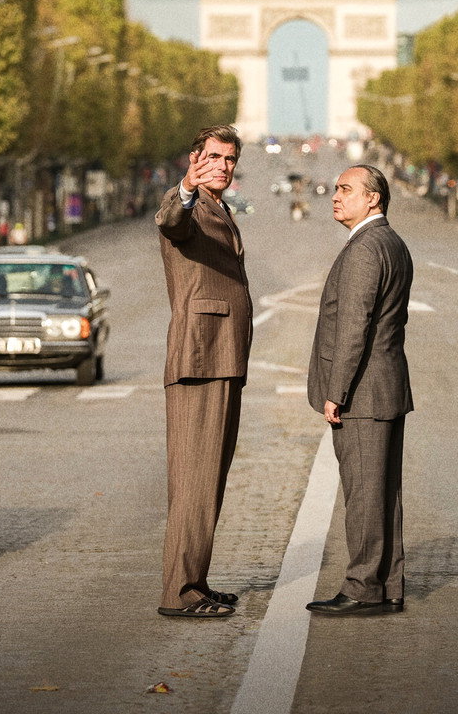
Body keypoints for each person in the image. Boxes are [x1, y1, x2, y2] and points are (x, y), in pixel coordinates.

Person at [306, 164, 413, 616]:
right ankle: (388, 585)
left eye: (346, 189)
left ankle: (362, 588)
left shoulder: (365, 249)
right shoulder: (392, 242)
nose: (336, 196)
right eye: (336, 189)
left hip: (364, 392)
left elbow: (354, 327)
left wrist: (337, 391)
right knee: (383, 493)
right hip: (386, 386)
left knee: (364, 494)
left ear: (373, 198)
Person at [154, 124, 252, 618]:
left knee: (207, 479)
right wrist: (186, 188)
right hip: (201, 356)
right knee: (194, 480)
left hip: (221, 356)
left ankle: (196, 580)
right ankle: (180, 593)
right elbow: (170, 221)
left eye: (230, 159)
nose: (223, 166)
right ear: (195, 159)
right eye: (214, 156)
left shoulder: (220, 207)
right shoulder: (188, 204)